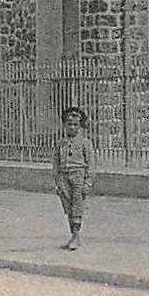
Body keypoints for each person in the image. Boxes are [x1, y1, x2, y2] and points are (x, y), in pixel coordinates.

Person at [50, 105, 95, 250]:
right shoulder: (60, 144)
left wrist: (88, 182)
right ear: (64, 125)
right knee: (68, 207)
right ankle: (73, 236)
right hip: (64, 177)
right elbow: (56, 164)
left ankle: (76, 236)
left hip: (78, 176)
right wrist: (57, 181)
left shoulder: (85, 143)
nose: (72, 127)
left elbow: (91, 164)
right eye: (69, 124)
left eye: (76, 124)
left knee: (77, 206)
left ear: (80, 126)